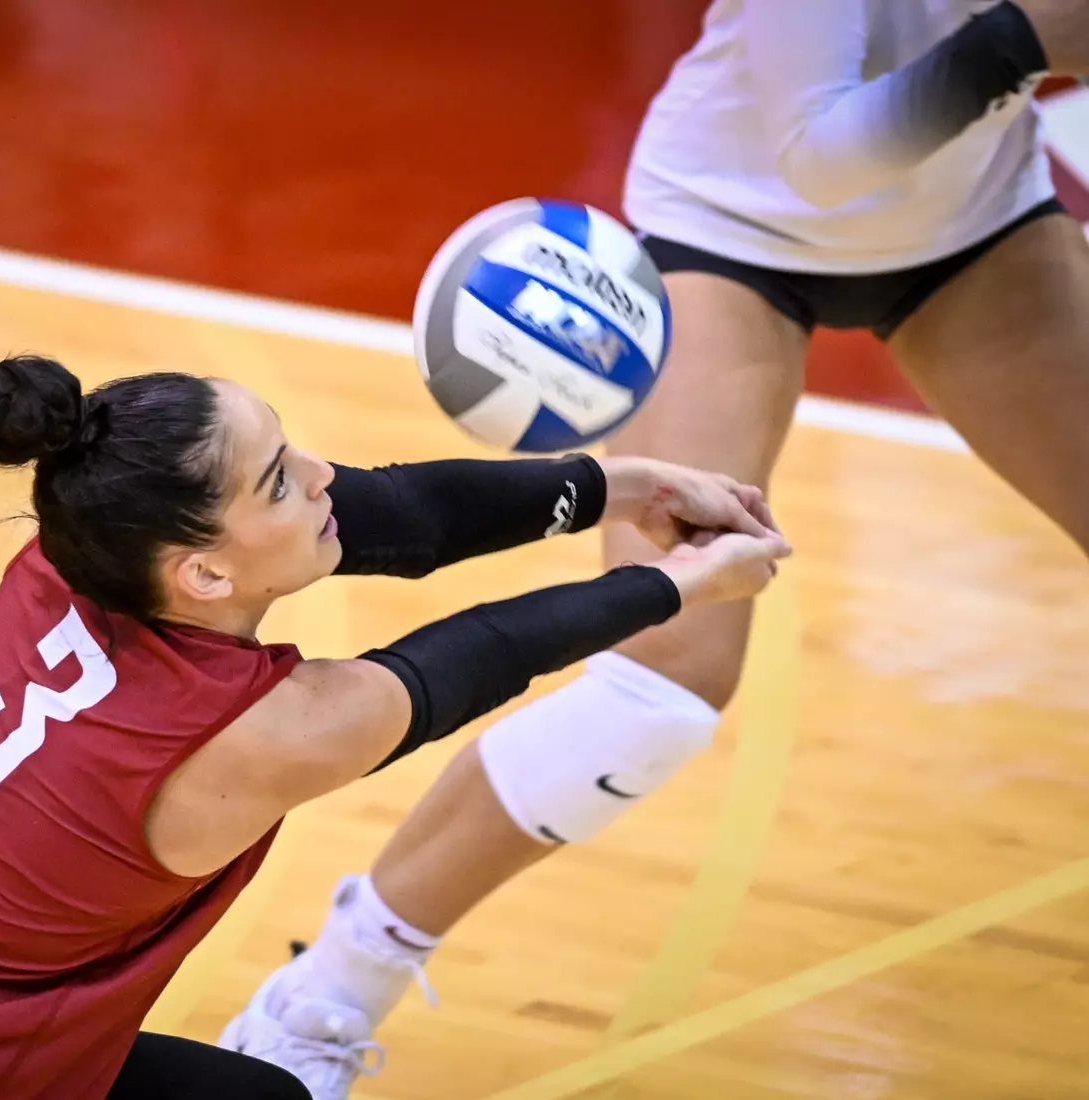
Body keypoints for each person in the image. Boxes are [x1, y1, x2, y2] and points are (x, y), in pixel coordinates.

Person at [220, 2, 1089, 1096]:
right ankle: (325, 996)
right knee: (663, 677)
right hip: (736, 227)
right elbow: (821, 158)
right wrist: (1025, 40)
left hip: (975, 224)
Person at [0, 354, 788, 1100]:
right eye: (281, 479)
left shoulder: (83, 545)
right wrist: (681, 584)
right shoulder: (242, 740)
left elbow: (402, 515)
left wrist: (622, 484)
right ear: (208, 570)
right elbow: (482, 653)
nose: (322, 475)